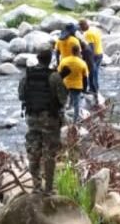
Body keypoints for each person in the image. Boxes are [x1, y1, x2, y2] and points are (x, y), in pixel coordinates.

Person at [18, 49, 68, 194]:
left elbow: (21, 95)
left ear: (38, 59)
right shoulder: (54, 77)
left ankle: (36, 186)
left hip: (32, 118)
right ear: (50, 59)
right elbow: (63, 99)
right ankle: (48, 189)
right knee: (49, 154)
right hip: (49, 120)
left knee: (33, 152)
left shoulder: (27, 75)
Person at [58, 45, 89, 123]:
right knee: (76, 104)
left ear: (71, 51)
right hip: (77, 86)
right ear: (78, 52)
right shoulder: (82, 63)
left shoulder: (64, 61)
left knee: (63, 103)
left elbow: (59, 73)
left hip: (65, 84)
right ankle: (75, 122)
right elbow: (85, 78)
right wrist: (84, 89)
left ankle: (62, 119)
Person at [79, 19, 103, 94]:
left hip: (94, 55)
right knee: (96, 72)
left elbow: (91, 47)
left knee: (91, 73)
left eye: (81, 27)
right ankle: (96, 88)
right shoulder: (94, 29)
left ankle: (93, 89)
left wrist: (88, 58)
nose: (80, 29)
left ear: (84, 25)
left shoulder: (88, 34)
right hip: (100, 53)